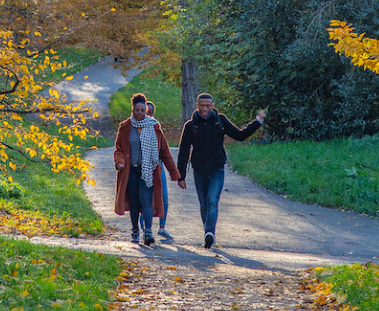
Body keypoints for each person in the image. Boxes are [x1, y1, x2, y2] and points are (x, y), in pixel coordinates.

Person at [176, 93, 266, 249]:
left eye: (208, 105)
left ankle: (209, 232)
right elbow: (183, 151)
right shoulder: (191, 126)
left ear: (212, 106)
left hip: (216, 168)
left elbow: (240, 135)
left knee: (212, 200)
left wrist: (257, 122)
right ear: (197, 106)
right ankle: (208, 234)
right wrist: (180, 176)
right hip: (199, 170)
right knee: (204, 204)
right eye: (202, 105)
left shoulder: (220, 121)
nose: (205, 108)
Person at [114, 93, 180, 245]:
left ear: (146, 110)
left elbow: (164, 151)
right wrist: (119, 162)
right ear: (133, 110)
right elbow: (119, 149)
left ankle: (148, 232)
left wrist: (174, 173)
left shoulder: (154, 127)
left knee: (146, 201)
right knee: (135, 203)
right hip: (131, 172)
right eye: (137, 110)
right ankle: (135, 230)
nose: (140, 113)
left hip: (148, 172)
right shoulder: (125, 127)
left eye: (142, 110)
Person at [144, 101, 173, 240]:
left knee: (164, 197)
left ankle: (162, 227)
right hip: (143, 167)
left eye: (150, 113)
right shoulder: (135, 128)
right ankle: (145, 229)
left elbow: (164, 150)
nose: (148, 115)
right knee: (145, 198)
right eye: (145, 113)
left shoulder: (157, 127)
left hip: (158, 166)